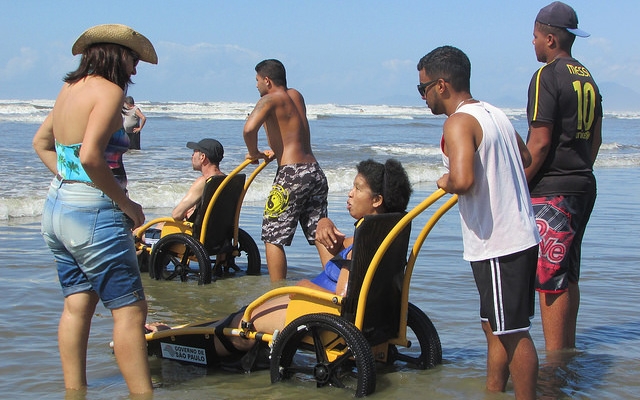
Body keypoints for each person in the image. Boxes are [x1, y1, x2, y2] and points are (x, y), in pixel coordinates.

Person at [147, 159, 412, 357]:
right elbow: (342, 247)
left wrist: (299, 287)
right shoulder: (382, 234)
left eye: (358, 188)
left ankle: (175, 342)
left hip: (319, 313)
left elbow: (343, 298)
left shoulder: (362, 244)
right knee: (238, 317)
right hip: (354, 317)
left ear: (376, 200)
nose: (350, 193)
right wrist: (324, 222)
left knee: (242, 327)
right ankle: (180, 330)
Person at [32, 24, 157, 394]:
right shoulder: (109, 91)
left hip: (57, 207)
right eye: (134, 59)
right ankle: (143, 394)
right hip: (93, 214)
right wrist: (128, 204)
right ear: (118, 55)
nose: (135, 69)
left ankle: (76, 392)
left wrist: (70, 180)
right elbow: (90, 157)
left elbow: (42, 144)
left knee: (77, 305)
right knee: (131, 312)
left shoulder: (69, 89)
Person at [417, 46, 540, 399]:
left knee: (512, 331)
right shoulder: (495, 114)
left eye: (422, 88)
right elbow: (526, 155)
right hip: (512, 236)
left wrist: (445, 181)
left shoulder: (457, 122)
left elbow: (464, 180)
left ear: (442, 85)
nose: (423, 96)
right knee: (493, 325)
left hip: (501, 241)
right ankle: (493, 391)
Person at [526, 1, 602, 352]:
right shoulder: (587, 77)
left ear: (551, 39)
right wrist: (578, 169)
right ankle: (566, 351)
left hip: (553, 191)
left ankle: (556, 364)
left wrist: (519, 182)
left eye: (536, 36)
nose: (533, 43)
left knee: (550, 278)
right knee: (568, 272)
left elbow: (538, 144)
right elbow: (596, 138)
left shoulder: (547, 76)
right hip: (583, 185)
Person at [243, 59, 328, 282]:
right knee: (321, 234)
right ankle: (337, 286)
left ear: (267, 80)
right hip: (314, 172)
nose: (257, 86)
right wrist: (273, 150)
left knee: (273, 237)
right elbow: (288, 129)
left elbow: (249, 128)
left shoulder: (269, 99)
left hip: (291, 175)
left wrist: (253, 153)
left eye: (258, 81)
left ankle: (275, 293)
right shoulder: (296, 95)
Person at [172, 138, 225, 221]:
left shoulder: (204, 181)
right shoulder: (229, 180)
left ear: (202, 157)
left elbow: (176, 215)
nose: (192, 156)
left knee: (156, 228)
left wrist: (187, 212)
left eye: (194, 152)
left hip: (199, 232)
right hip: (223, 231)